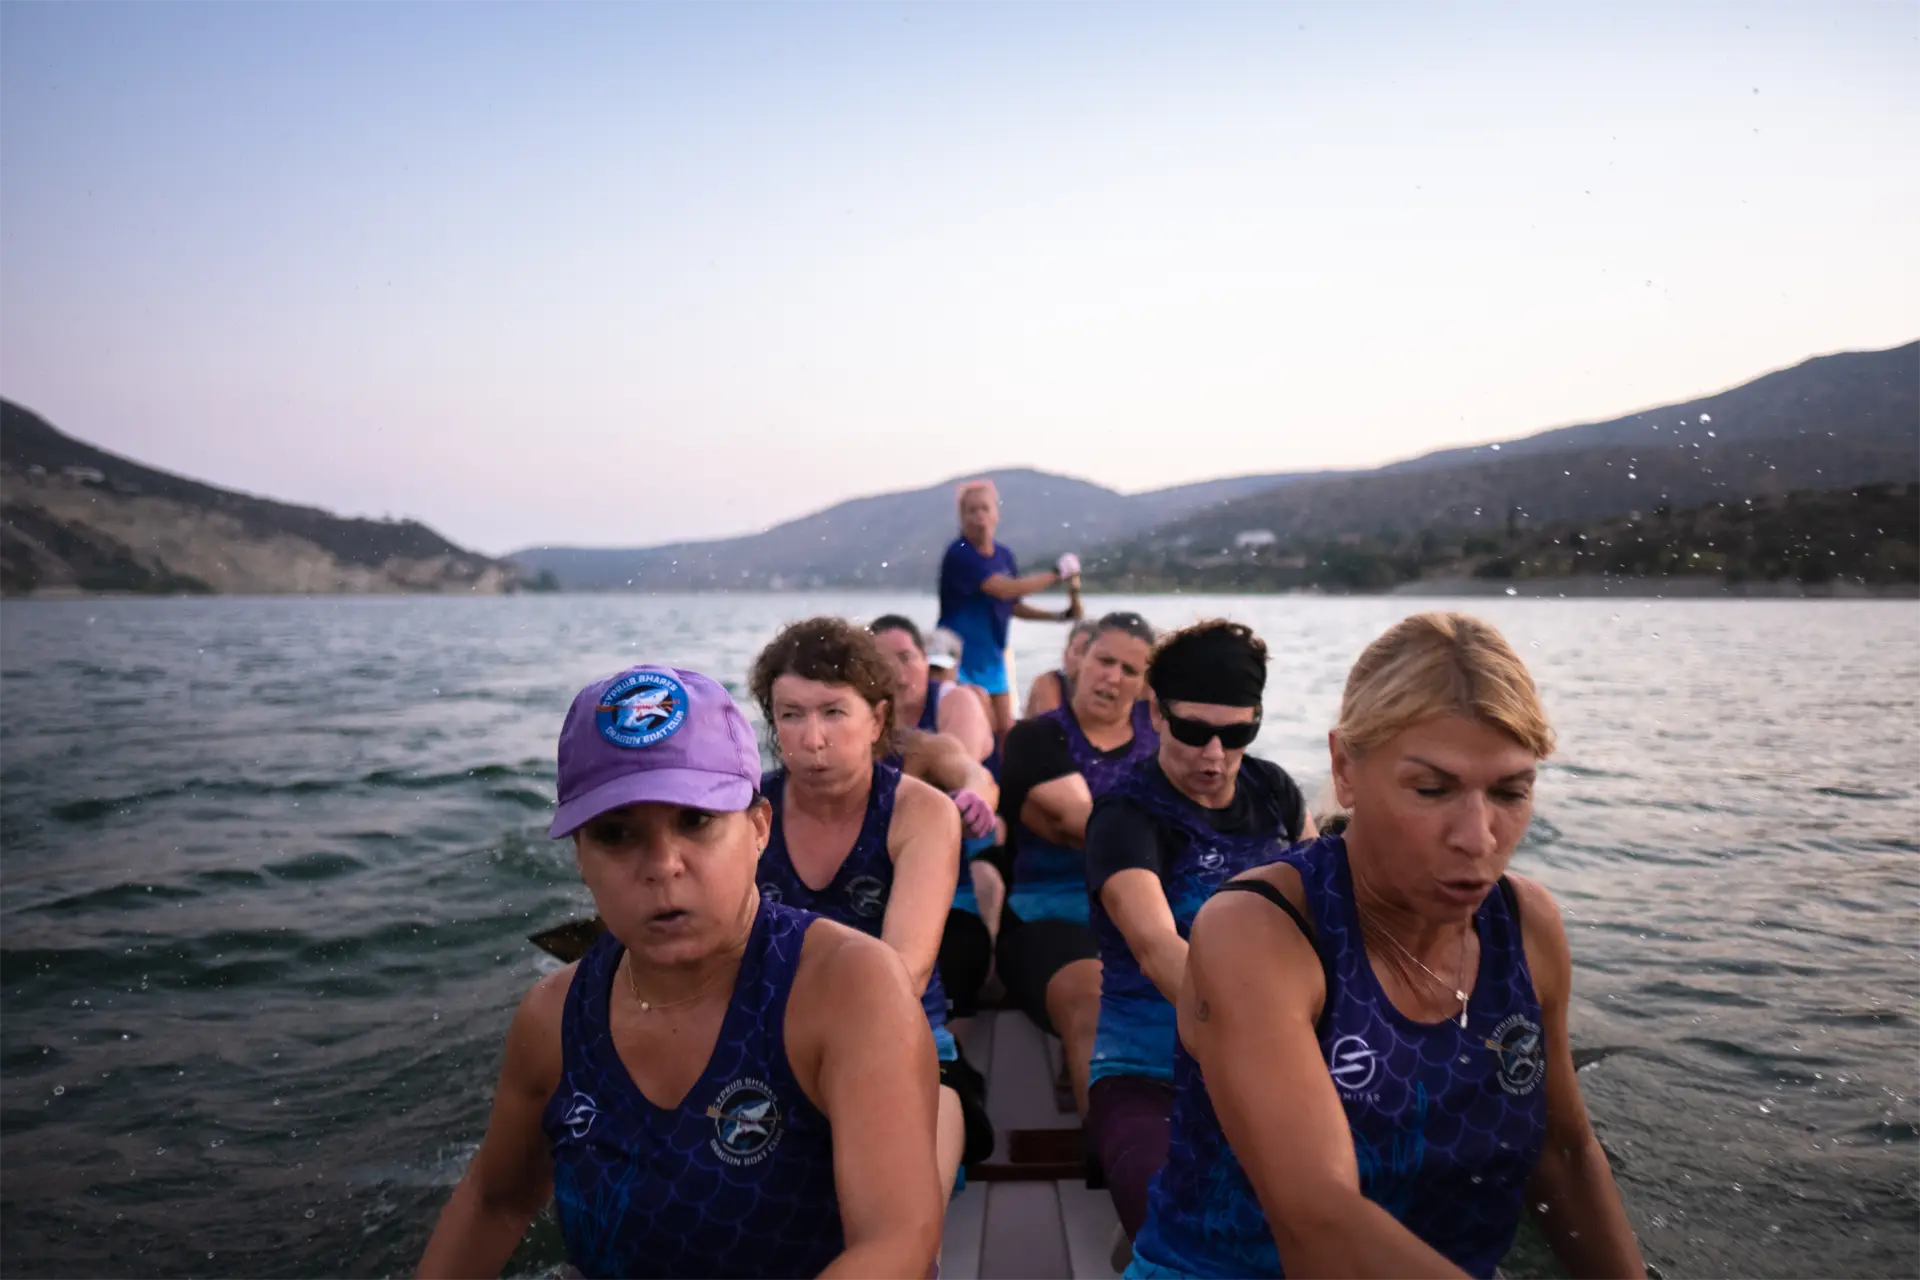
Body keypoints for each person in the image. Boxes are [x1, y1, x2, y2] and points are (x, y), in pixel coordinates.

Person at [1127, 613, 1646, 1280]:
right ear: (1345, 769)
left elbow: (1564, 1156)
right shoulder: (1261, 932)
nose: (1479, 838)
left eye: (1511, 792)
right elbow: (1320, 1222)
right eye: (1432, 790)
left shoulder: (1527, 925)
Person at [417, 665, 940, 1280]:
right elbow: (495, 1201)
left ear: (758, 829)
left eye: (695, 821)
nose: (663, 865)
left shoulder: (845, 988)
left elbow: (896, 1239)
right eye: (616, 835)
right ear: (581, 859)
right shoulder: (554, 1019)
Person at [1084, 620, 1315, 1243]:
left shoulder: (1275, 792)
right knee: (1189, 1228)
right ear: (1155, 712)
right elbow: (1160, 949)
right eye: (1193, 730)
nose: (1215, 755)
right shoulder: (1125, 815)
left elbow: (1333, 919)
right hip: (1148, 1074)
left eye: (1238, 733)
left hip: (1285, 1065)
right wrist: (1270, 1039)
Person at [748, 618, 994, 1190]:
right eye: (791, 714)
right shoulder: (744, 811)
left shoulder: (920, 812)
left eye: (833, 712)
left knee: (899, 1199)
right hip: (761, 1036)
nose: (811, 739)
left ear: (878, 718)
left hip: (905, 1038)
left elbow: (902, 973)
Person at [991, 610, 1158, 1114]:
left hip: (1151, 911)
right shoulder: (1036, 739)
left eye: (1131, 671)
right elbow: (1080, 826)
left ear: (1146, 685)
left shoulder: (1166, 741)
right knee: (1095, 1006)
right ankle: (1114, 1161)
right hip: (1050, 916)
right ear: (1078, 658)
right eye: (1104, 660)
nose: (1113, 676)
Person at [937, 477, 1084, 737]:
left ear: (996, 513)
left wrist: (1058, 616)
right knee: (974, 727)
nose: (979, 515)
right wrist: (1056, 574)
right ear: (962, 517)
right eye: (971, 510)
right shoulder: (959, 552)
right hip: (958, 658)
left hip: (993, 656)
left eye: (985, 508)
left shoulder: (1004, 555)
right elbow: (1001, 588)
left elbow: (1012, 604)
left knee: (1006, 731)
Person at [869, 614, 995, 764]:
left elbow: (958, 779)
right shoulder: (867, 708)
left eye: (905, 658)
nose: (897, 673)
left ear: (925, 658)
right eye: (883, 663)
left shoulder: (957, 700)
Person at [1025, 618, 1100, 718]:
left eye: (1091, 654)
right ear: (1065, 654)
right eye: (1078, 652)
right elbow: (1053, 727)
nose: (1083, 661)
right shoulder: (1048, 682)